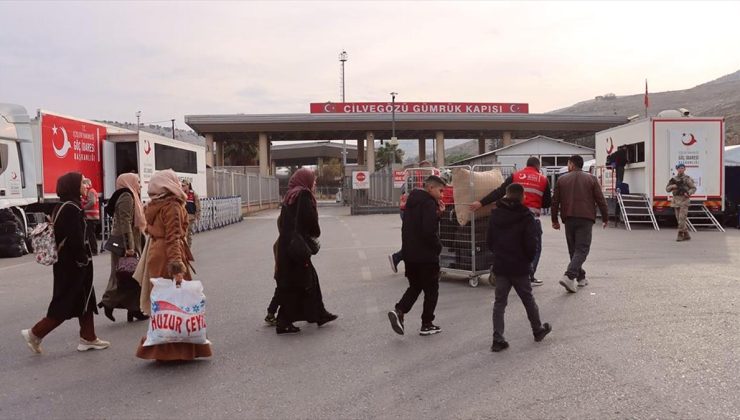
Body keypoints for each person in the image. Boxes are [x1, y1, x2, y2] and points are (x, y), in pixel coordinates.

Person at [21, 172, 110, 354]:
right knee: (65, 302)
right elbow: (75, 240)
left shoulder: (63, 206)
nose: (86, 186)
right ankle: (35, 333)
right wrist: (82, 260)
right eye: (82, 183)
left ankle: (88, 337)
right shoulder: (71, 208)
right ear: (72, 186)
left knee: (85, 299)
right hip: (74, 266)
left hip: (68, 264)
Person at [135, 169, 212, 360]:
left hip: (156, 252)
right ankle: (176, 349)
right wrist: (177, 267)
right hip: (169, 255)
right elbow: (174, 238)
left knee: (162, 301)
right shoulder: (173, 206)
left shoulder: (153, 205)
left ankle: (161, 343)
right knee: (179, 302)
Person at [487, 183, 552, 352]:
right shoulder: (526, 216)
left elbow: (489, 241)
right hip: (520, 265)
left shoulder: (495, 214)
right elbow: (532, 243)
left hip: (501, 265)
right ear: (522, 196)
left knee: (499, 303)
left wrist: (498, 255)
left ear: (506, 195)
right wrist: (528, 260)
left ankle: (497, 338)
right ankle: (537, 330)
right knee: (528, 299)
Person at [274, 168, 338, 334]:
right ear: (306, 180)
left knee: (307, 279)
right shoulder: (303, 195)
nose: (315, 183)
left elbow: (282, 222)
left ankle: (318, 314)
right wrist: (314, 231)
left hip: (287, 246)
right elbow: (309, 220)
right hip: (296, 247)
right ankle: (284, 321)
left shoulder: (290, 195)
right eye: (314, 180)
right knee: (301, 283)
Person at [470, 157, 551, 286]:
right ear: (538, 166)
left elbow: (499, 192)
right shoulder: (543, 179)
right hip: (531, 219)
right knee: (534, 248)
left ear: (526, 165)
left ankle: (500, 270)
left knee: (509, 247)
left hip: (510, 217)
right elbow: (547, 203)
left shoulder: (515, 175)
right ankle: (528, 276)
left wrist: (480, 203)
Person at [387, 175, 446, 336]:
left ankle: (399, 310)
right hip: (426, 256)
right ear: (430, 188)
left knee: (415, 286)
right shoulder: (428, 203)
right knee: (432, 290)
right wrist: (438, 247)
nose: (442, 195)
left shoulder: (412, 203)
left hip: (410, 254)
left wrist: (438, 215)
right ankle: (427, 323)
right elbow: (428, 230)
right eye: (440, 190)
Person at [551, 155, 609, 294]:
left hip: (568, 218)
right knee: (582, 249)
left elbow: (555, 201)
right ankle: (570, 276)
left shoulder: (562, 179)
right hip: (586, 218)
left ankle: (581, 277)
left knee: (574, 250)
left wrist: (554, 220)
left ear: (571, 164)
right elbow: (600, 200)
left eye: (568, 163)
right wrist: (605, 217)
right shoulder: (591, 179)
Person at [98, 173, 148, 323]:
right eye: (138, 182)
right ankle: (109, 303)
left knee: (130, 277)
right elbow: (125, 223)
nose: (140, 185)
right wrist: (129, 247)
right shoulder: (126, 196)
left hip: (130, 240)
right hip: (125, 243)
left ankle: (134, 309)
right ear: (129, 182)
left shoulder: (129, 195)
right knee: (127, 276)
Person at [389, 160, 441, 273]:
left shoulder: (420, 180)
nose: (428, 172)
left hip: (413, 211)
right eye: (427, 169)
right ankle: (398, 257)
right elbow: (405, 192)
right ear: (421, 169)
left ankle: (400, 259)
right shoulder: (414, 180)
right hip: (410, 212)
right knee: (416, 239)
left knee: (415, 239)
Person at [666, 163, 696, 242]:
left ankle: (680, 234)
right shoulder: (674, 179)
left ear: (684, 169)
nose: (681, 169)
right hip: (676, 200)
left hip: (684, 200)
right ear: (677, 169)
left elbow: (693, 188)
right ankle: (686, 234)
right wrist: (673, 186)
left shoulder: (687, 179)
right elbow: (667, 189)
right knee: (678, 218)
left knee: (682, 219)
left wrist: (688, 193)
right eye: (679, 168)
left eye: (682, 168)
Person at [81, 177, 100, 255]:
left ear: (88, 184)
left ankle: (94, 250)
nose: (83, 185)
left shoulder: (91, 191)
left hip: (91, 217)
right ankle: (91, 250)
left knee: (91, 235)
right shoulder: (89, 191)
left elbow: (92, 202)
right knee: (89, 234)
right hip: (90, 216)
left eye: (84, 183)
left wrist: (83, 209)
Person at [182, 181, 201, 247]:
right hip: (183, 216)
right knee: (183, 234)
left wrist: (197, 216)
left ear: (188, 185)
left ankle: (188, 249)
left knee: (187, 233)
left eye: (184, 186)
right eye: (182, 185)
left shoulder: (193, 194)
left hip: (190, 216)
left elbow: (198, 205)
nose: (182, 187)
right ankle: (185, 249)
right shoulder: (181, 194)